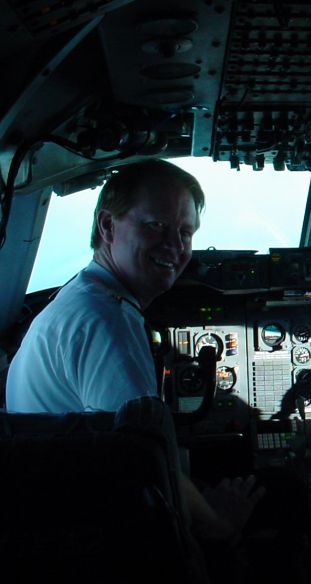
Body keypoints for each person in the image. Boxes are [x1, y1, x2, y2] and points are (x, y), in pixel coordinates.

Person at [5, 158, 264, 545]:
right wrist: (220, 525)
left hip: (55, 523)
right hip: (89, 543)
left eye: (185, 232)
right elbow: (148, 463)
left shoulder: (82, 298)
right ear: (108, 227)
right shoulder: (106, 320)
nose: (175, 246)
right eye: (156, 225)